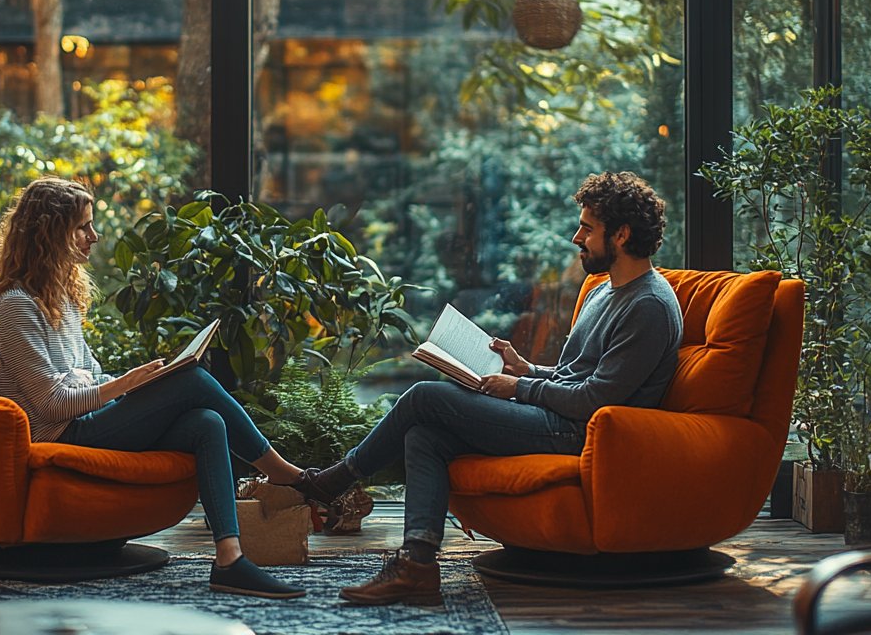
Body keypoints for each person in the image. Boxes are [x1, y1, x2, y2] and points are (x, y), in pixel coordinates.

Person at [293, 171, 684, 605]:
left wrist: (516, 388)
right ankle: (417, 566)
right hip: (560, 416)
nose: (577, 237)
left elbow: (595, 399)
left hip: (580, 433)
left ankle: (334, 481)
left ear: (623, 234)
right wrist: (527, 367)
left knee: (425, 397)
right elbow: (577, 374)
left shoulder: (648, 305)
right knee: (426, 436)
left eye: (587, 228)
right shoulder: (605, 291)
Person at [0, 177, 313, 599]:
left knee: (206, 422)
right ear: (50, 233)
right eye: (83, 227)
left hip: (87, 419)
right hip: (65, 431)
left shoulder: (58, 297)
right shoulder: (16, 306)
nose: (94, 237)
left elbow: (89, 372)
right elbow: (51, 405)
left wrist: (132, 382)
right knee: (191, 379)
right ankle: (285, 473)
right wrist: (122, 384)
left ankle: (230, 559)